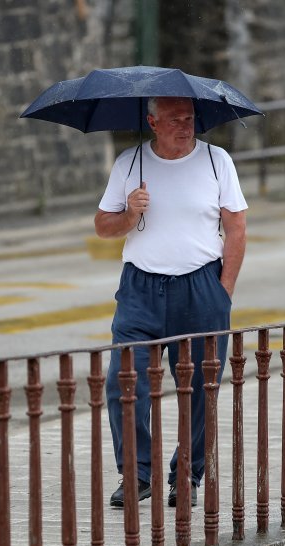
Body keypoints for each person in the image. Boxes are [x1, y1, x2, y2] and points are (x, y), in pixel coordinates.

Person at [95, 96, 247, 508]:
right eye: (175, 119)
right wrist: (128, 215)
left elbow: (236, 228)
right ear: (152, 121)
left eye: (190, 117)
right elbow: (102, 226)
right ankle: (137, 474)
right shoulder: (130, 162)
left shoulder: (217, 161)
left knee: (201, 386)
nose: (185, 125)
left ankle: (187, 475)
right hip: (140, 289)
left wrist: (223, 290)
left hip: (200, 286)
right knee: (123, 381)